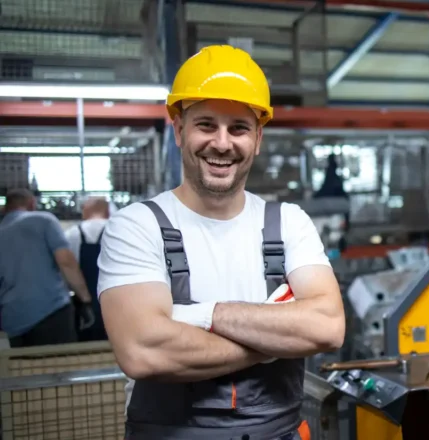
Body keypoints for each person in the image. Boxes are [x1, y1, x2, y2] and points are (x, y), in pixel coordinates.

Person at [97, 45, 344, 440]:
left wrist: (199, 315)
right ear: (179, 130)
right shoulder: (137, 226)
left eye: (239, 128)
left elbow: (328, 327)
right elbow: (144, 350)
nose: (223, 143)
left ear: (258, 138)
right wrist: (275, 341)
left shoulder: (288, 223)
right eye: (206, 125)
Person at [0, 189, 95, 348]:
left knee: (25, 370)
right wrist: (85, 300)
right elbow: (66, 262)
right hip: (51, 312)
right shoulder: (43, 220)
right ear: (32, 203)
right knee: (61, 367)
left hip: (12, 320)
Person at [64, 197, 110, 341]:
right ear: (107, 211)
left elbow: (66, 269)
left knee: (86, 348)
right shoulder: (120, 230)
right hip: (115, 301)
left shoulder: (71, 234)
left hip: (83, 304)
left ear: (85, 210)